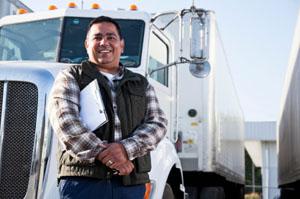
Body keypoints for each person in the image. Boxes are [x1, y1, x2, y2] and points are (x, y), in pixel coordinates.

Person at [47, 16, 167, 199]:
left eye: (111, 37)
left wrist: (126, 149)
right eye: (97, 38)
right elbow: (66, 122)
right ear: (87, 45)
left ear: (122, 45)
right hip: (84, 183)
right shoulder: (70, 76)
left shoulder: (141, 83)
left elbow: (158, 124)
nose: (104, 42)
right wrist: (110, 156)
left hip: (131, 183)